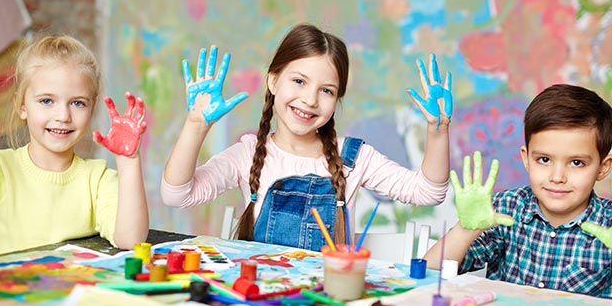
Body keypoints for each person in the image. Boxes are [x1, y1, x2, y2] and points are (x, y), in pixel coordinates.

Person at [161, 23, 452, 251]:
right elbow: (177, 194)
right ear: (273, 80)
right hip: (260, 300)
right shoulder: (248, 154)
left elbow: (429, 192)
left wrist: (437, 131)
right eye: (299, 81)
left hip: (324, 304)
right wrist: (196, 125)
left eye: (326, 90)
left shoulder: (353, 159)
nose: (310, 99)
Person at [425, 84, 612, 306]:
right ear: (526, 159)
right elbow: (428, 274)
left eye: (576, 163)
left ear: (603, 167)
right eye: (544, 159)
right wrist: (466, 229)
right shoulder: (505, 210)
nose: (557, 177)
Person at [0, 35, 150, 257]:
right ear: (21, 106)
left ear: (91, 108)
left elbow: (130, 239)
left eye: (77, 103)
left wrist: (129, 161)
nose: (63, 116)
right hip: (6, 290)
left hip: (73, 290)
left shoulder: (97, 180)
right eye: (46, 101)